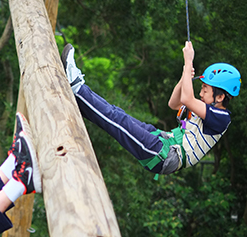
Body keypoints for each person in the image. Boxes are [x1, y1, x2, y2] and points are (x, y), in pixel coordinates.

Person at [61, 41, 241, 175]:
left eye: (205, 89)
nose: (201, 93)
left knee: (120, 121)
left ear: (220, 96)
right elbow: (174, 103)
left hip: (166, 156)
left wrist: (188, 63)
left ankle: (77, 87)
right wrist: (183, 77)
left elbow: (187, 98)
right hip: (165, 141)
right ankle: (80, 101)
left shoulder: (220, 117)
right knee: (118, 114)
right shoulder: (207, 108)